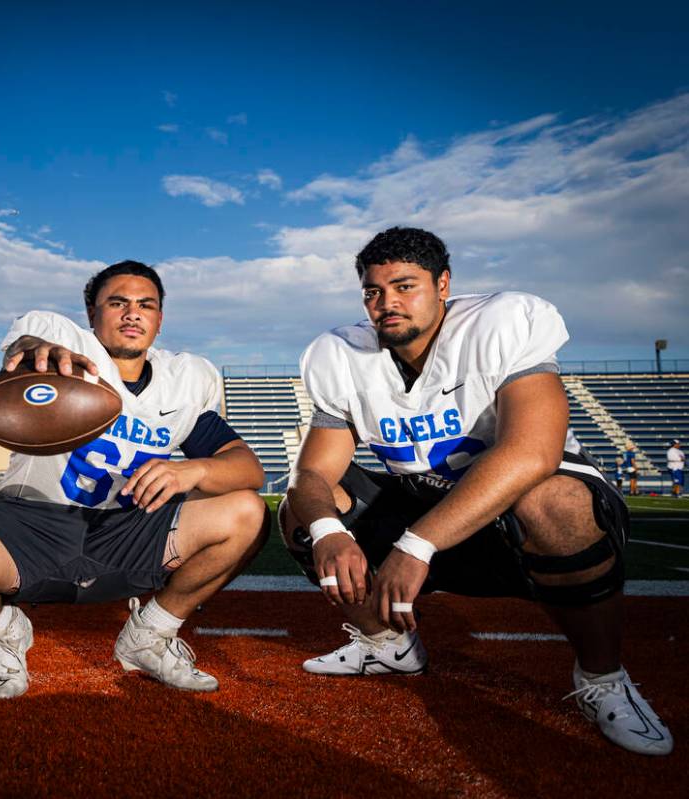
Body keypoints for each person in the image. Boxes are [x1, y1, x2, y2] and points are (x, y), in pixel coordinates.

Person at [280, 227, 672, 756]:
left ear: (444, 284)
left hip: (521, 518)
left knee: (553, 500)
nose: (387, 303)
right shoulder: (340, 353)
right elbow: (311, 475)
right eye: (374, 292)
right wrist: (327, 529)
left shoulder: (500, 322)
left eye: (405, 286)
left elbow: (533, 453)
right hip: (429, 510)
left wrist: (416, 544)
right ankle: (387, 644)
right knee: (301, 511)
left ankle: (602, 677)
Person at [0, 260, 267, 698]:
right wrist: (35, 351)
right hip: (30, 523)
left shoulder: (182, 381)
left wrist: (195, 468)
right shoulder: (69, 354)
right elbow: (29, 342)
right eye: (117, 303)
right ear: (91, 314)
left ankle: (151, 634)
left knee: (246, 511)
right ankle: (5, 632)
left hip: (125, 528)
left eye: (145, 305)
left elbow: (248, 468)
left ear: (159, 319)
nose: (132, 314)